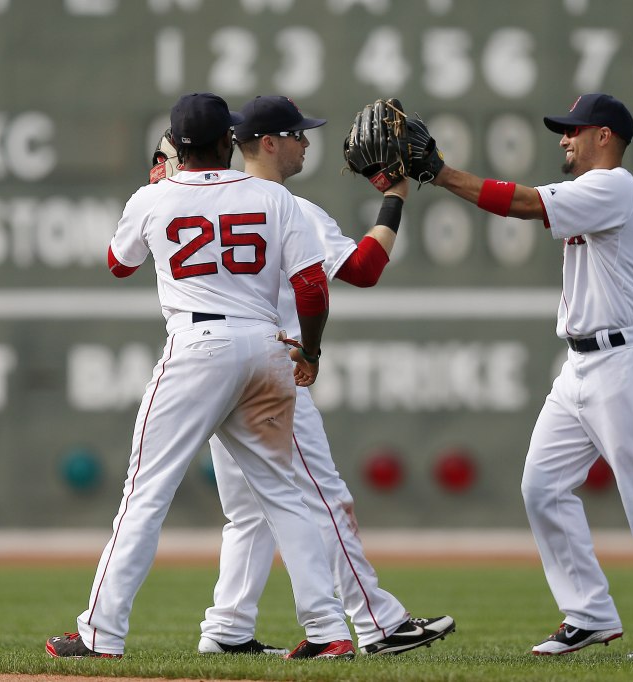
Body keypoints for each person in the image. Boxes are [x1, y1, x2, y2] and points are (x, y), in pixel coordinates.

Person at [46, 92, 356, 660]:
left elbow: (119, 264)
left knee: (144, 493)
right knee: (285, 498)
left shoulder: (153, 197)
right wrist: (309, 351)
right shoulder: (270, 195)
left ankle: (101, 634)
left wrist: (156, 188)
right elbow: (312, 287)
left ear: (176, 146)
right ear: (224, 142)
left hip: (197, 347)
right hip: (265, 348)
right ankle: (327, 630)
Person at [412, 93, 633, 657]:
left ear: (605, 136)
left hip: (626, 361)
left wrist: (441, 173)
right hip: (579, 366)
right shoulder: (591, 192)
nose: (564, 139)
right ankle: (590, 613)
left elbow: (522, 203)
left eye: (574, 130)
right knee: (542, 488)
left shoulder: (615, 185)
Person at [176, 95, 455, 657]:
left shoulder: (209, 200)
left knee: (249, 512)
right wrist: (396, 197)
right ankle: (378, 621)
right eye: (298, 135)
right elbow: (363, 270)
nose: (307, 143)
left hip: (215, 370)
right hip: (271, 375)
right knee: (327, 498)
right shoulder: (286, 207)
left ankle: (227, 630)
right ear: (270, 143)